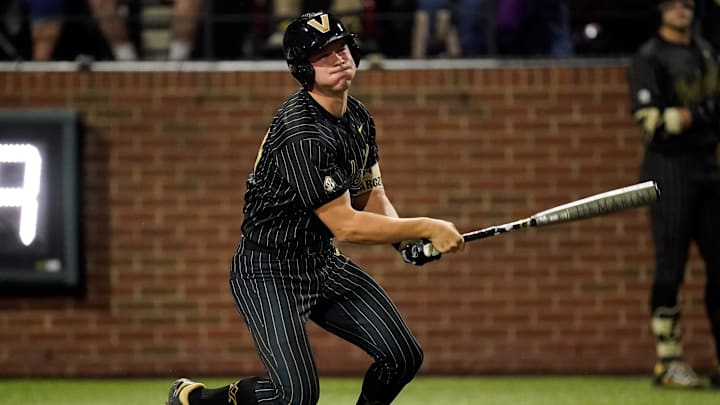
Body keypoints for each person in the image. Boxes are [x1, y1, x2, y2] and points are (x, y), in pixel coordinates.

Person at [166, 11, 465, 405]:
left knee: (402, 357)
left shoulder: (357, 117)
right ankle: (197, 401)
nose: (338, 57)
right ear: (302, 69)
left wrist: (405, 242)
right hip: (268, 271)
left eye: (342, 48)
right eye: (322, 54)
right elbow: (346, 225)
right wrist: (425, 227)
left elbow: (369, 195)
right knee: (296, 397)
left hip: (321, 262)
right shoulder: (302, 132)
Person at [627, 0, 720, 389]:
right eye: (674, 3)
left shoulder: (705, 51)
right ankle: (668, 363)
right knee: (671, 265)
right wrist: (701, 114)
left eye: (688, 3)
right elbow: (656, 124)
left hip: (707, 168)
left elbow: (686, 117)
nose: (682, 9)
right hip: (667, 171)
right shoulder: (649, 57)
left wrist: (689, 116)